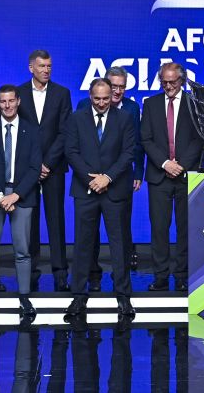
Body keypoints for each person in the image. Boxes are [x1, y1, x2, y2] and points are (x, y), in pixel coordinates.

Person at [64, 78, 137, 319]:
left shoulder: (124, 118)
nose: (102, 103)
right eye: (97, 99)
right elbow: (71, 152)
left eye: (106, 98)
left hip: (114, 190)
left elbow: (128, 152)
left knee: (119, 245)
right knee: (83, 244)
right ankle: (78, 295)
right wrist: (91, 179)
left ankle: (123, 296)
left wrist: (107, 178)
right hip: (85, 191)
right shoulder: (77, 118)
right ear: (89, 95)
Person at [76, 66, 145, 288]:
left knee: (120, 232)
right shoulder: (83, 107)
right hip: (89, 183)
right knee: (88, 235)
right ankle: (92, 276)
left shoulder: (131, 109)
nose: (116, 91)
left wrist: (136, 171)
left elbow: (135, 145)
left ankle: (121, 283)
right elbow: (76, 147)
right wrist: (93, 178)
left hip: (119, 180)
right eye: (113, 86)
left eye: (121, 87)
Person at [0, 85, 42, 318]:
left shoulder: (31, 131)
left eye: (11, 101)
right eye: (3, 101)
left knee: (23, 251)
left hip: (21, 196)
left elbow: (35, 167)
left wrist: (15, 195)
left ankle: (24, 297)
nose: (7, 105)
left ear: (18, 101)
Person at [140, 62, 204, 291]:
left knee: (186, 229)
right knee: (159, 229)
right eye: (164, 82)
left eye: (172, 82)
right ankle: (160, 276)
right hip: (159, 176)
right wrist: (166, 163)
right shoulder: (150, 104)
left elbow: (199, 138)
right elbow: (146, 138)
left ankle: (182, 276)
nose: (168, 86)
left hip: (186, 176)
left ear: (182, 80)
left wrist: (181, 165)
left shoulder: (194, 103)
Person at [17, 50, 72, 292]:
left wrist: (47, 163)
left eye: (49, 66)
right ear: (31, 68)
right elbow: (17, 131)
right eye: (41, 66)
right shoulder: (18, 93)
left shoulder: (62, 93)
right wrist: (33, 164)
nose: (46, 70)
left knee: (56, 221)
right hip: (26, 169)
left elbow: (65, 131)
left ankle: (60, 273)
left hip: (54, 168)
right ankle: (30, 273)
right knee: (29, 223)